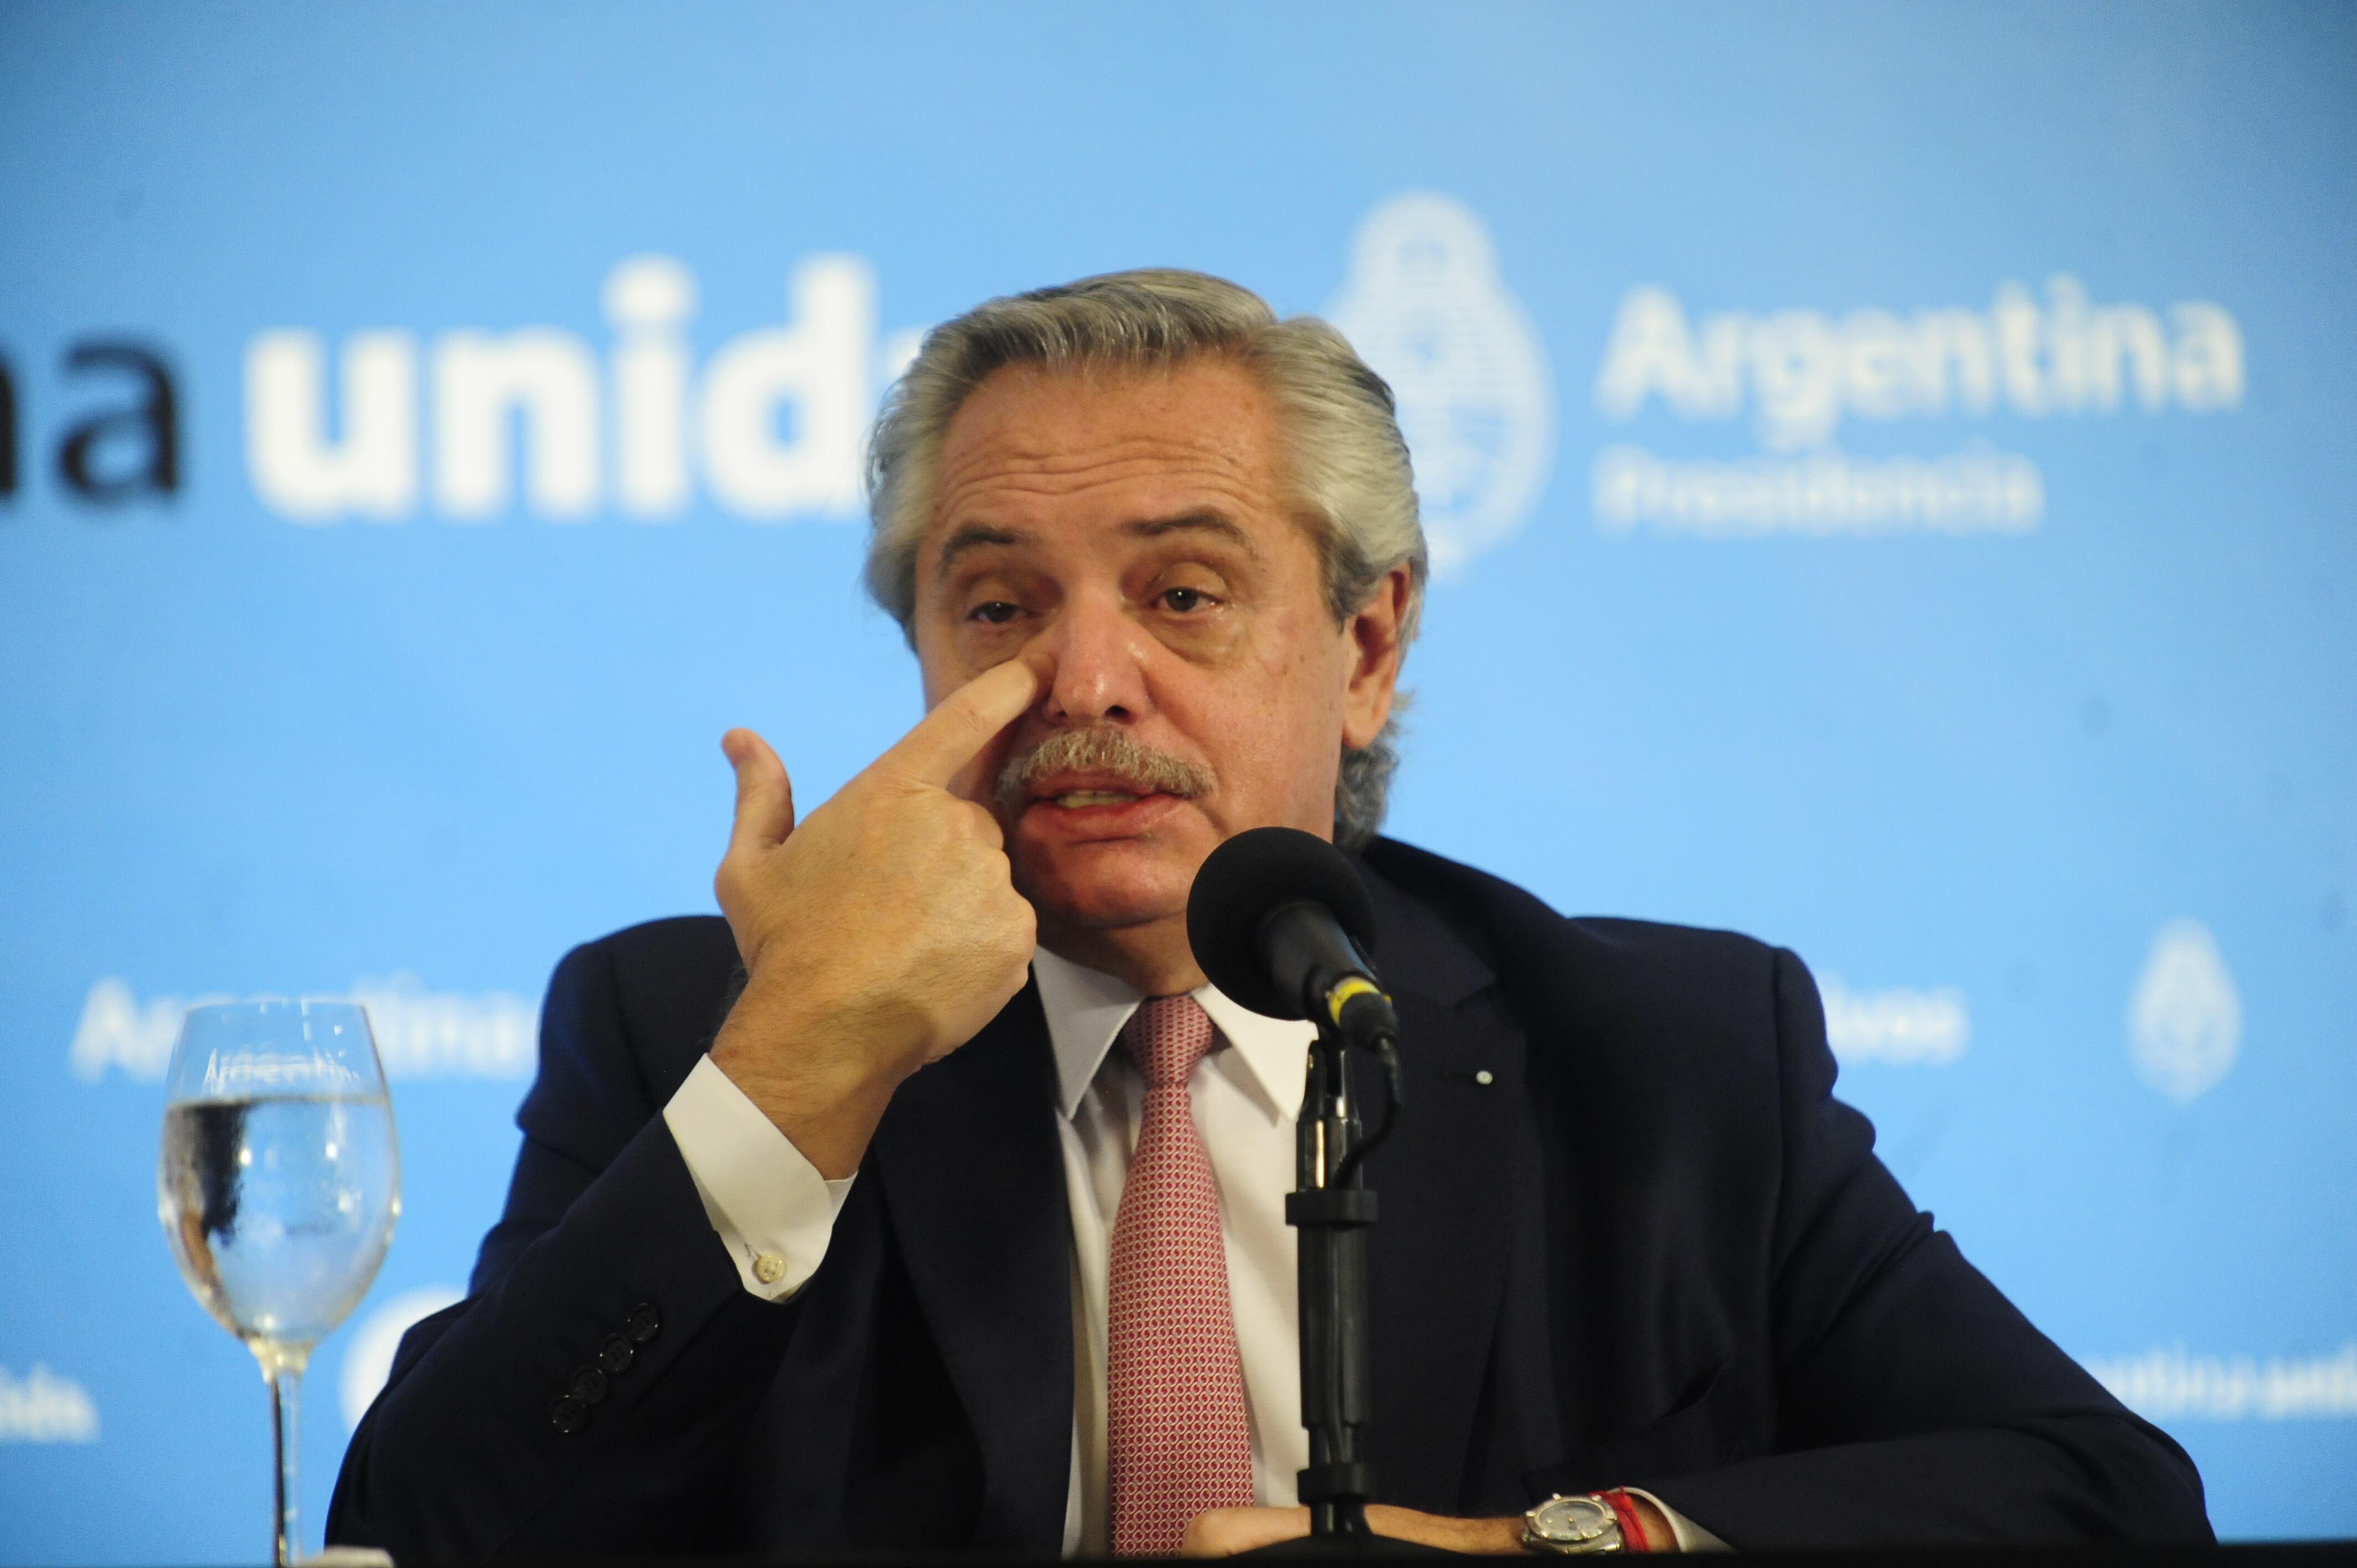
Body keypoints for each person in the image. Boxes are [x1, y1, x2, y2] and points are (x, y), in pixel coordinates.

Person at [327, 271, 2210, 1558]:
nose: (1085, 681)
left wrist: (1538, 1551)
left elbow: (2105, 1499)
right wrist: (806, 1061)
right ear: (917, 652)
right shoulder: (701, 1033)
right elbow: (418, 1538)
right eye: (996, 606)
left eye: (1187, 593)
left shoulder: (1674, 1062)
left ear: (1370, 643)